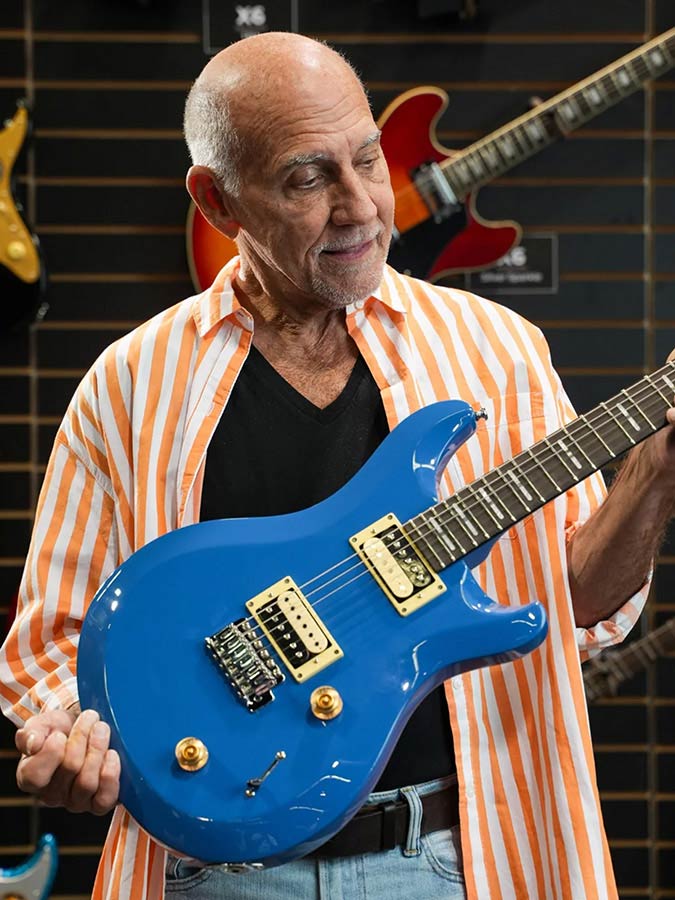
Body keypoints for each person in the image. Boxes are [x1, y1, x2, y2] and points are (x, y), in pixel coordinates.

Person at [0, 31, 674, 900]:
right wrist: (71, 736)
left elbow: (574, 604)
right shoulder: (130, 383)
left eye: (367, 160)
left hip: (452, 859)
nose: (361, 207)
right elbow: (50, 644)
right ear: (217, 201)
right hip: (213, 876)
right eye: (308, 178)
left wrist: (652, 476)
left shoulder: (497, 350)